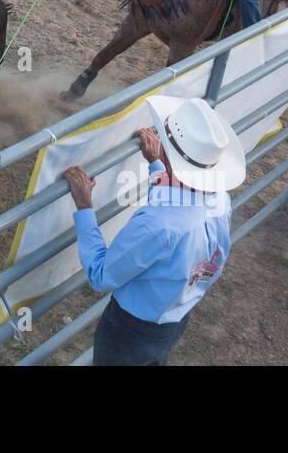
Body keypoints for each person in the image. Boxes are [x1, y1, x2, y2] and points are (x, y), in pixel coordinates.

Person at [62, 95, 246, 365]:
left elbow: (101, 275)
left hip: (131, 331)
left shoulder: (158, 224)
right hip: (174, 320)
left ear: (168, 153)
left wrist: (85, 207)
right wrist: (157, 165)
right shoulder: (220, 201)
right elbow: (180, 201)